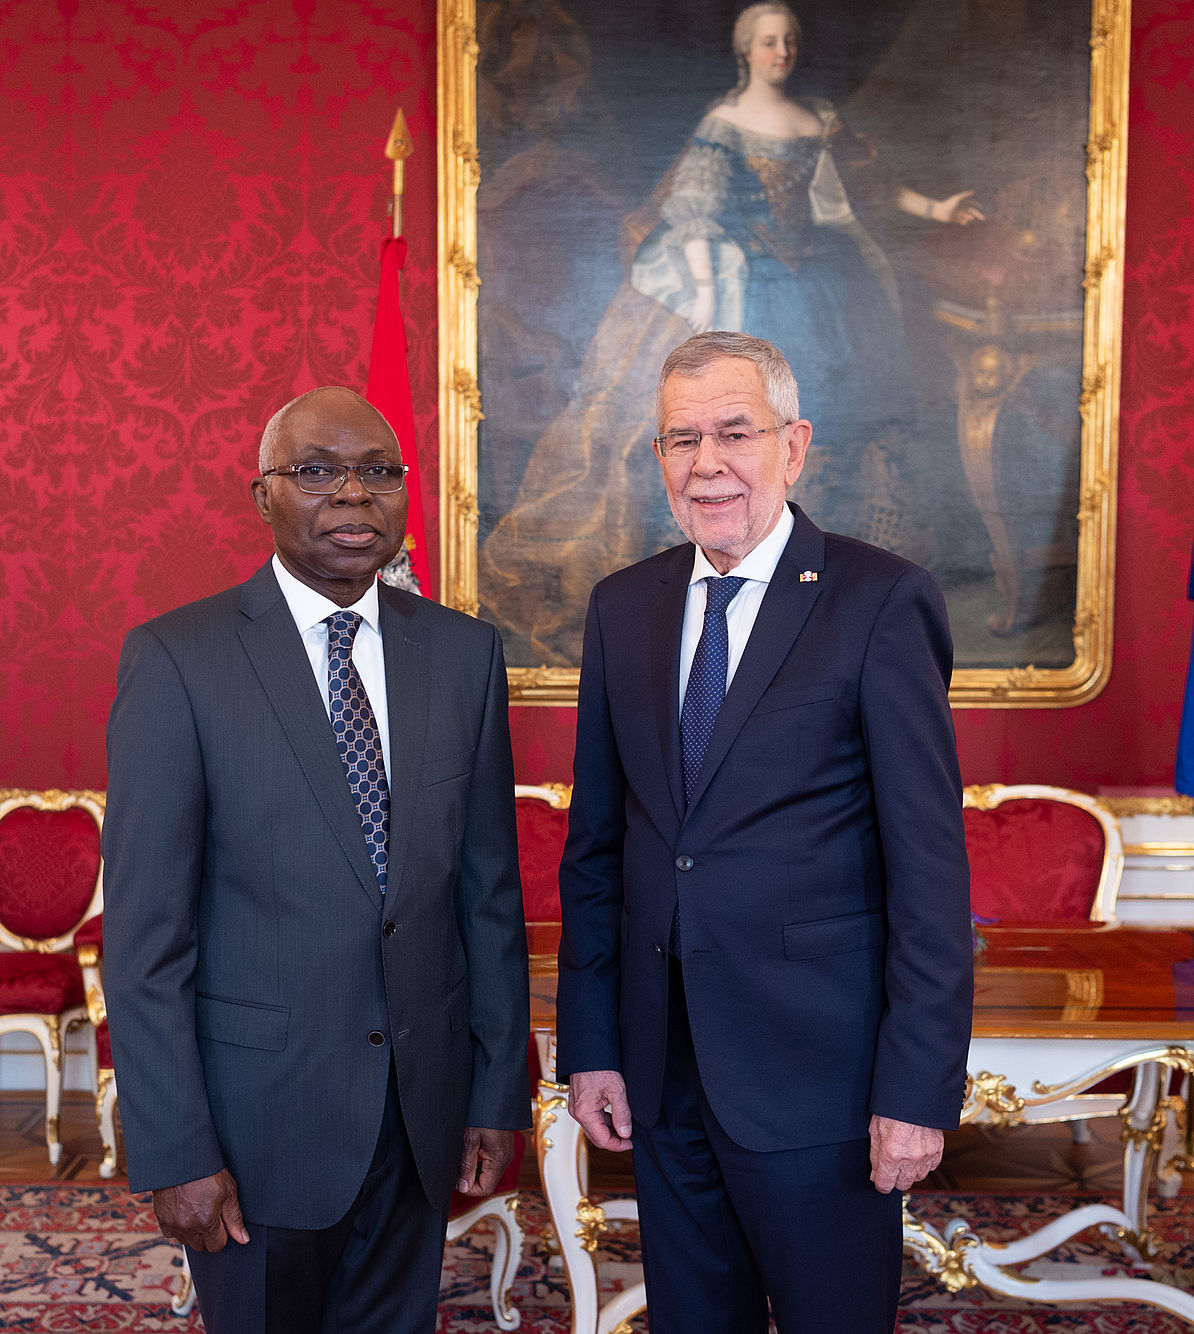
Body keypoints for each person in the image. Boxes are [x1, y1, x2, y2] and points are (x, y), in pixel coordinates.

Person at [557, 332, 975, 1332]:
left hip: (820, 1083)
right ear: (658, 457)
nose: (707, 462)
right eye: (682, 438)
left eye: (734, 432)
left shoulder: (879, 601)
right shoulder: (624, 607)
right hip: (663, 1074)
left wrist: (915, 1089)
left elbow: (928, 871)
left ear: (793, 446)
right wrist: (592, 1044)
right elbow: (598, 848)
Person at [102, 387, 530, 1334]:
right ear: (262, 495)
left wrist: (496, 1091)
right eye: (316, 471)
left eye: (378, 471)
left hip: (419, 1118)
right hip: (255, 1129)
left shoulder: (464, 656)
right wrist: (176, 1148)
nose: (353, 494)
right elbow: (144, 941)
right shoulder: (178, 660)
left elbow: (487, 898)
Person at [480, 0, 982, 666]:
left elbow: (872, 190)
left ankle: (823, 586)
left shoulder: (817, 118)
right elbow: (693, 209)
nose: (782, 52)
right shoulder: (725, 122)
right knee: (731, 422)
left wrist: (938, 207)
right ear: (746, 50)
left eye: (789, 40)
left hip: (824, 283)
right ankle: (724, 580)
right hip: (747, 280)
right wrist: (707, 291)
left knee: (837, 418)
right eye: (769, 41)